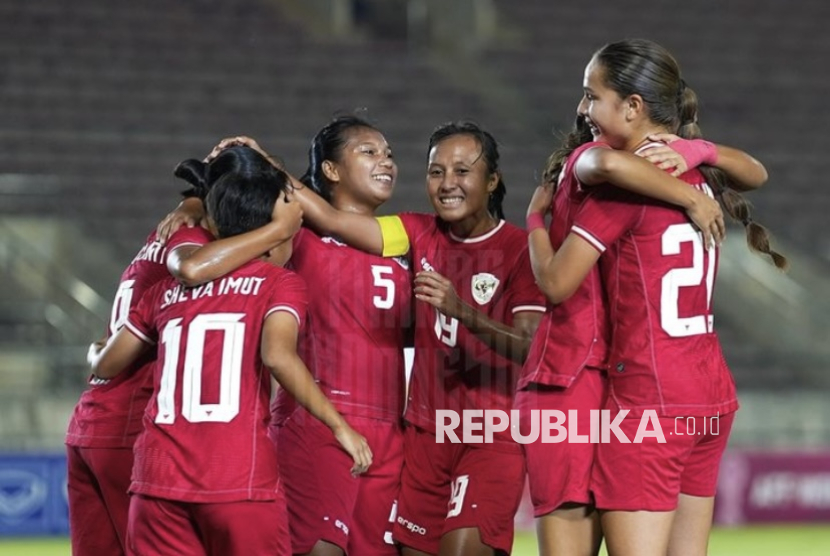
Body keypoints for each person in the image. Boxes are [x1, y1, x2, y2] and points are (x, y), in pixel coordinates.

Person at [225, 121, 546, 556]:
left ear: (492, 180)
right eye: (436, 172)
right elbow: (324, 218)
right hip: (383, 431)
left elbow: (524, 345)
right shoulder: (401, 234)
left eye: (462, 171)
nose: (447, 183)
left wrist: (462, 313)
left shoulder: (488, 250)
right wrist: (226, 187)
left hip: (452, 433)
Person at [524, 39, 784, 556]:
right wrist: (698, 155)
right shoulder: (699, 174)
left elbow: (555, 282)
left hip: (650, 400)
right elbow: (757, 172)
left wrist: (535, 218)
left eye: (591, 96)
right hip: (710, 394)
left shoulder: (626, 186)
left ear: (633, 106)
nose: (582, 109)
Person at [88, 145, 372, 556]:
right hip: (238, 478)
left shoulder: (165, 291)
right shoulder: (278, 284)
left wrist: (95, 353)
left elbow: (109, 364)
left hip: (156, 481)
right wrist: (339, 425)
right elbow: (278, 357)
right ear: (276, 230)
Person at [159, 116, 413, 556]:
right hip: (320, 420)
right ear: (331, 170)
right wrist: (196, 205)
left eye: (388, 153)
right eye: (368, 151)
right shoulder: (299, 237)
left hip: (391, 430)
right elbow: (248, 199)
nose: (385, 161)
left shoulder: (404, 244)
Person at [64, 149, 297, 556]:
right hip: (131, 424)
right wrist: (278, 230)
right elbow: (191, 269)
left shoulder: (164, 235)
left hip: (96, 420)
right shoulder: (194, 243)